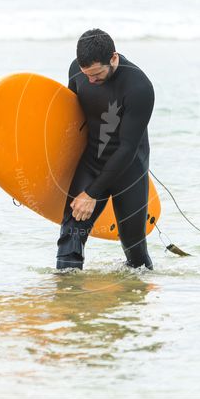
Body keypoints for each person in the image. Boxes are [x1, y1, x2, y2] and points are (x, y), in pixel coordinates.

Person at [56, 28, 155, 271]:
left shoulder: (139, 87)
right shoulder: (77, 71)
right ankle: (67, 299)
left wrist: (91, 193)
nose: (90, 80)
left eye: (97, 74)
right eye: (85, 74)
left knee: (135, 251)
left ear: (113, 58)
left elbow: (127, 148)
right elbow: (70, 125)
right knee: (71, 235)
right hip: (92, 162)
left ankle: (135, 302)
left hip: (128, 169)